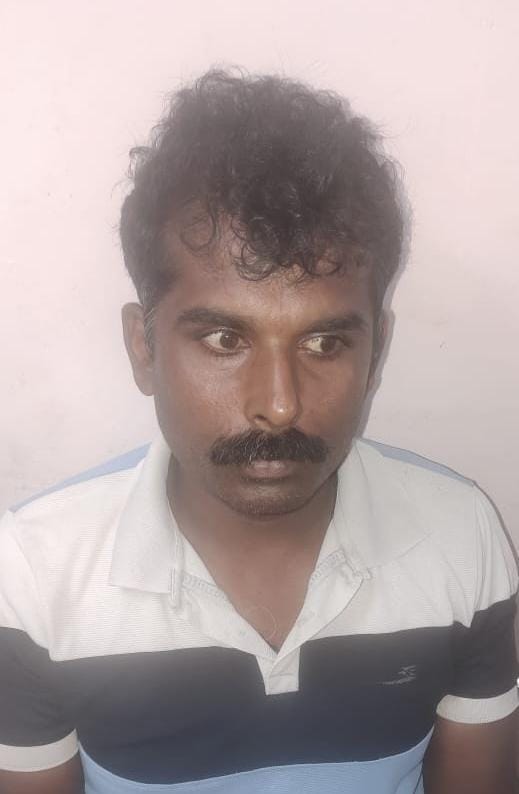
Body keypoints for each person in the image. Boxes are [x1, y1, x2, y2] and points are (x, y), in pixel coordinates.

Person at [0, 70, 517, 794]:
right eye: (223, 339)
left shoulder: (459, 536)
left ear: (376, 354)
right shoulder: (34, 572)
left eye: (324, 343)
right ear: (143, 348)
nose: (279, 405)